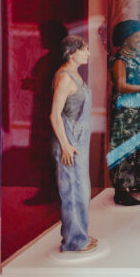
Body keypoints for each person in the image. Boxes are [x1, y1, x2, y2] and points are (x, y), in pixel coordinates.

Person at [49, 35, 98, 252]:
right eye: (84, 49)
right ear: (71, 52)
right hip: (69, 141)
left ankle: (80, 235)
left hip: (78, 140)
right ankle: (74, 241)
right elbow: (54, 115)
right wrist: (66, 145)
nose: (88, 53)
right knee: (71, 191)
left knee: (81, 190)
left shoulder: (74, 75)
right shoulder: (65, 78)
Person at [108, 20, 140, 206]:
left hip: (138, 107)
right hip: (126, 111)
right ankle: (121, 190)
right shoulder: (120, 60)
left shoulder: (136, 56)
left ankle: (137, 181)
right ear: (125, 38)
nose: (139, 39)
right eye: (136, 36)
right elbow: (121, 85)